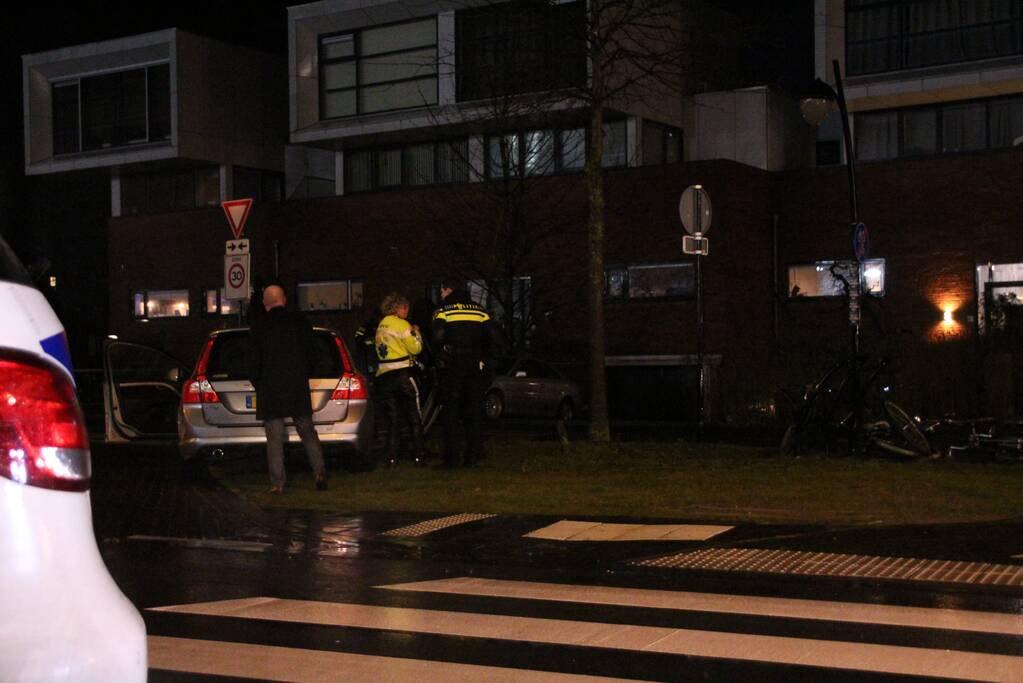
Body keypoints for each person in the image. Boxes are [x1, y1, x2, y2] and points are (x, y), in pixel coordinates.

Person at [248, 284, 327, 494]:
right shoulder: (300, 322)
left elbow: (253, 363)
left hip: (270, 388)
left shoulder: (259, 325)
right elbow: (314, 354)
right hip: (296, 386)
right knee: (307, 432)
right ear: (284, 299)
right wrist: (305, 374)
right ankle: (319, 474)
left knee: (274, 438)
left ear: (265, 304)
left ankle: (277, 483)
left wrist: (259, 383)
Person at [432, 279, 493, 468]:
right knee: (473, 411)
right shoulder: (480, 310)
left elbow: (437, 336)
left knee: (451, 412)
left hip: (452, 365)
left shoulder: (444, 310)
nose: (440, 295)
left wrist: (440, 354)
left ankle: (452, 459)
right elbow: (493, 337)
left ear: (448, 289)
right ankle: (473, 457)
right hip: (474, 365)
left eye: (441, 291)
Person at [374, 292, 426, 467]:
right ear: (398, 308)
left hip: (384, 377)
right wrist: (417, 333)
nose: (407, 311)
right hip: (403, 375)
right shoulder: (403, 325)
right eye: (405, 308)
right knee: (414, 416)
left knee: (392, 419)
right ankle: (419, 455)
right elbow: (416, 348)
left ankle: (391, 458)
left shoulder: (381, 325)